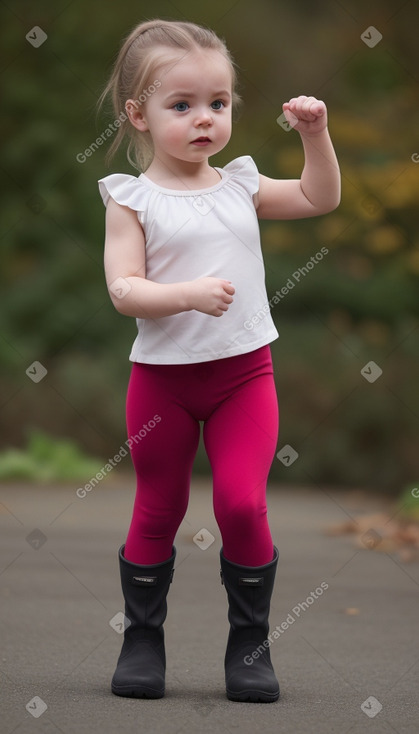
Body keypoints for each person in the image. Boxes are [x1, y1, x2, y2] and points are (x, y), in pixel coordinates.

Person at [97, 18, 340, 703]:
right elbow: (123, 289)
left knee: (241, 503)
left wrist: (313, 137)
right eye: (182, 106)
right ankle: (142, 641)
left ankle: (249, 647)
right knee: (158, 508)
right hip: (162, 386)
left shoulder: (240, 183)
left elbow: (320, 197)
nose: (203, 119)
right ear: (138, 115)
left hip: (242, 377)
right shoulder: (130, 198)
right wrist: (184, 295)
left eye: (218, 103)